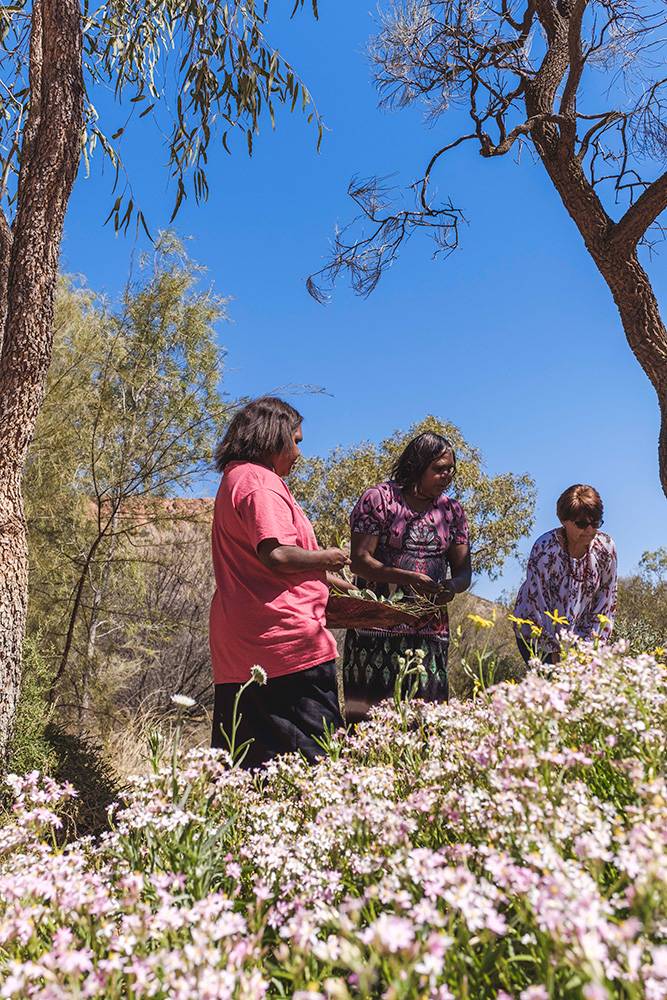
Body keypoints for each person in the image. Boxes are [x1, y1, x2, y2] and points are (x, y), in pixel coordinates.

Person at [209, 396, 350, 767]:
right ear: (273, 436)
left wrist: (328, 578)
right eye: (296, 441)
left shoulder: (235, 479)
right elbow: (277, 555)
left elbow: (263, 559)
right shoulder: (260, 483)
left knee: (249, 768)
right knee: (318, 763)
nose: (299, 453)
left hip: (241, 650)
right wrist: (330, 556)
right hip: (288, 646)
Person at [342, 432, 472, 724]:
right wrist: (409, 579)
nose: (447, 475)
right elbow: (361, 563)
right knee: (372, 723)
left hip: (430, 636)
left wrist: (452, 586)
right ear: (417, 466)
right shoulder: (379, 500)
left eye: (450, 469)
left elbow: (464, 571)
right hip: (374, 634)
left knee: (426, 723)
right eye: (439, 469)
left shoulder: (451, 512)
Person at [513, 484, 617, 664]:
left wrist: (590, 649)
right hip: (537, 636)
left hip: (580, 639)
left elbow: (606, 602)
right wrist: (556, 653)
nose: (590, 530)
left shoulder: (605, 549)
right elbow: (538, 606)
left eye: (596, 523)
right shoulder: (545, 550)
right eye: (582, 524)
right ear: (564, 520)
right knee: (550, 687)